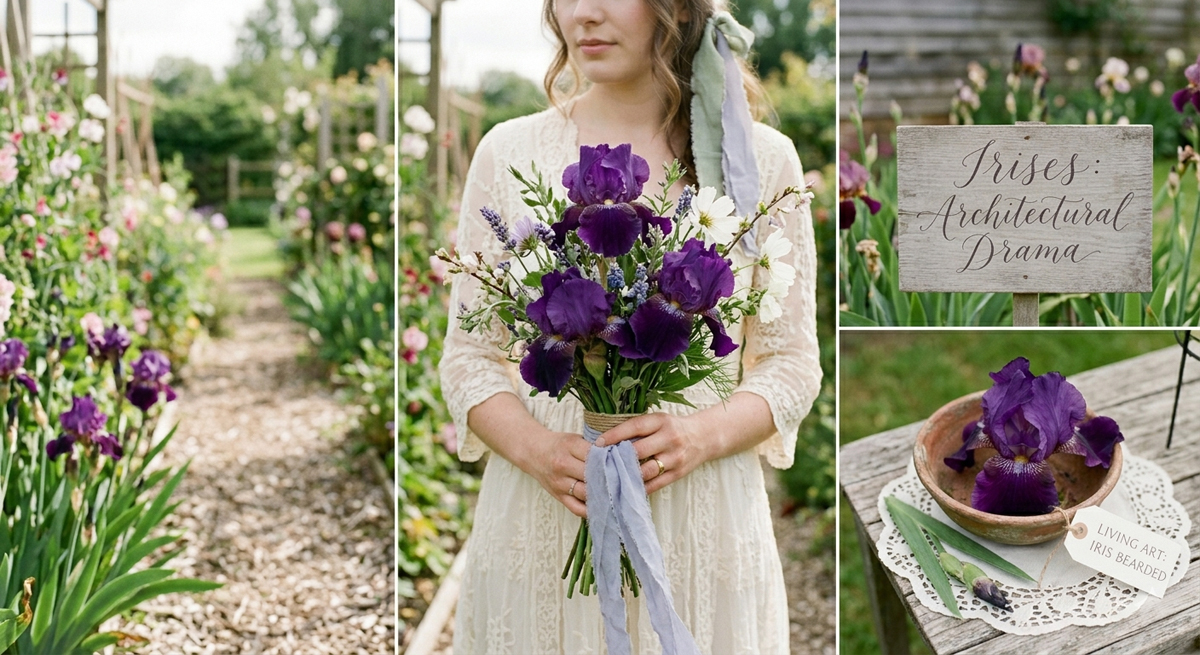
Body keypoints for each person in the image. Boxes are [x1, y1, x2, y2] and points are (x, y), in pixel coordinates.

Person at [439, 0, 821, 652]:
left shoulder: (757, 160)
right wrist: (538, 451)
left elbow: (791, 363)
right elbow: (468, 357)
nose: (582, 14)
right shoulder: (507, 152)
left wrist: (698, 436)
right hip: (544, 518)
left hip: (700, 524)